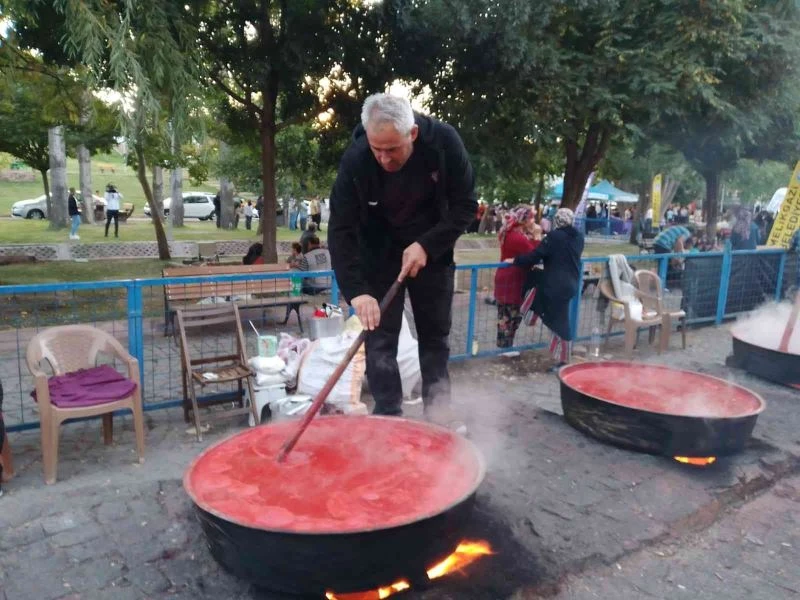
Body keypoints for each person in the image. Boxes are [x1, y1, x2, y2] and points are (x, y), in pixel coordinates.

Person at [328, 93, 476, 428]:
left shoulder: (443, 143)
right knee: (380, 341)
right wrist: (357, 292)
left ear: (412, 134)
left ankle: (439, 416)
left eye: (391, 149)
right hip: (378, 256)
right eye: (376, 148)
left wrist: (426, 244)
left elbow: (466, 205)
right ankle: (388, 418)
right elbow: (340, 230)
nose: (382, 158)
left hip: (432, 253)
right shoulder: (356, 159)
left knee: (435, 337)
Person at [513, 208, 585, 370]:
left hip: (556, 286)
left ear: (557, 221)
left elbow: (536, 255)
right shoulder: (578, 237)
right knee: (558, 318)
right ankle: (533, 314)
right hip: (571, 283)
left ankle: (564, 361)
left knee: (560, 322)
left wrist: (516, 260)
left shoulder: (554, 237)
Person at [494, 206, 540, 355]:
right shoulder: (517, 237)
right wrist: (538, 236)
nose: (533, 220)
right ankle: (505, 347)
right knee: (509, 315)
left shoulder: (511, 233)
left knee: (508, 314)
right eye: (531, 217)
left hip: (507, 276)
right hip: (512, 279)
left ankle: (506, 345)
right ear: (524, 220)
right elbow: (533, 254)